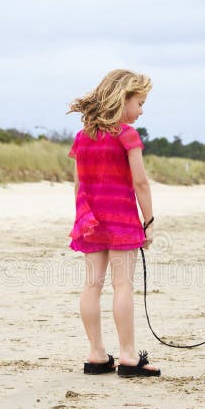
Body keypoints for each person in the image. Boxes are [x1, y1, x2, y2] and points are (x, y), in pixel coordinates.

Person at [67, 69, 160, 377]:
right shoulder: (126, 135)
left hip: (90, 220)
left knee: (91, 285)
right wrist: (148, 221)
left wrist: (81, 219)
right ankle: (128, 356)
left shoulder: (83, 137)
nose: (142, 110)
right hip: (121, 221)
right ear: (124, 99)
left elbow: (79, 185)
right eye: (140, 102)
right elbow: (140, 183)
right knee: (122, 285)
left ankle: (95, 354)